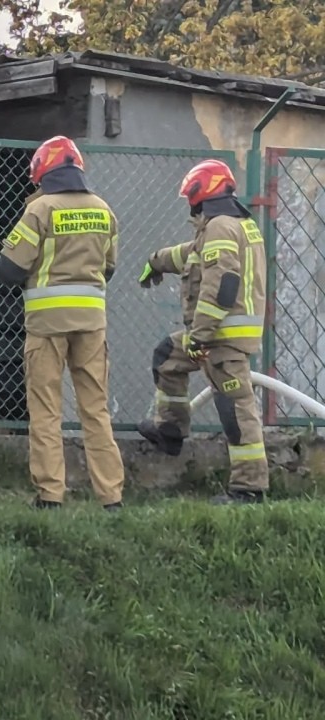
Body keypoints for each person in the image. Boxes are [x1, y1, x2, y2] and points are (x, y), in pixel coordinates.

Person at [0, 136, 125, 510]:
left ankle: (51, 495)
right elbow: (109, 267)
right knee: (95, 410)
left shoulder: (40, 210)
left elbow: (9, 269)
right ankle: (111, 497)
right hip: (91, 324)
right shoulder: (104, 210)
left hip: (47, 326)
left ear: (41, 174)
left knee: (46, 409)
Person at [137, 159, 267, 505]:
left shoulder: (220, 228)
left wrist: (199, 336)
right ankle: (170, 430)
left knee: (236, 410)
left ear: (200, 196)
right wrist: (156, 260)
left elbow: (222, 284)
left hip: (219, 337)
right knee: (167, 357)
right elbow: (192, 256)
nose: (189, 208)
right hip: (217, 334)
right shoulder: (232, 225)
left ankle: (248, 490)